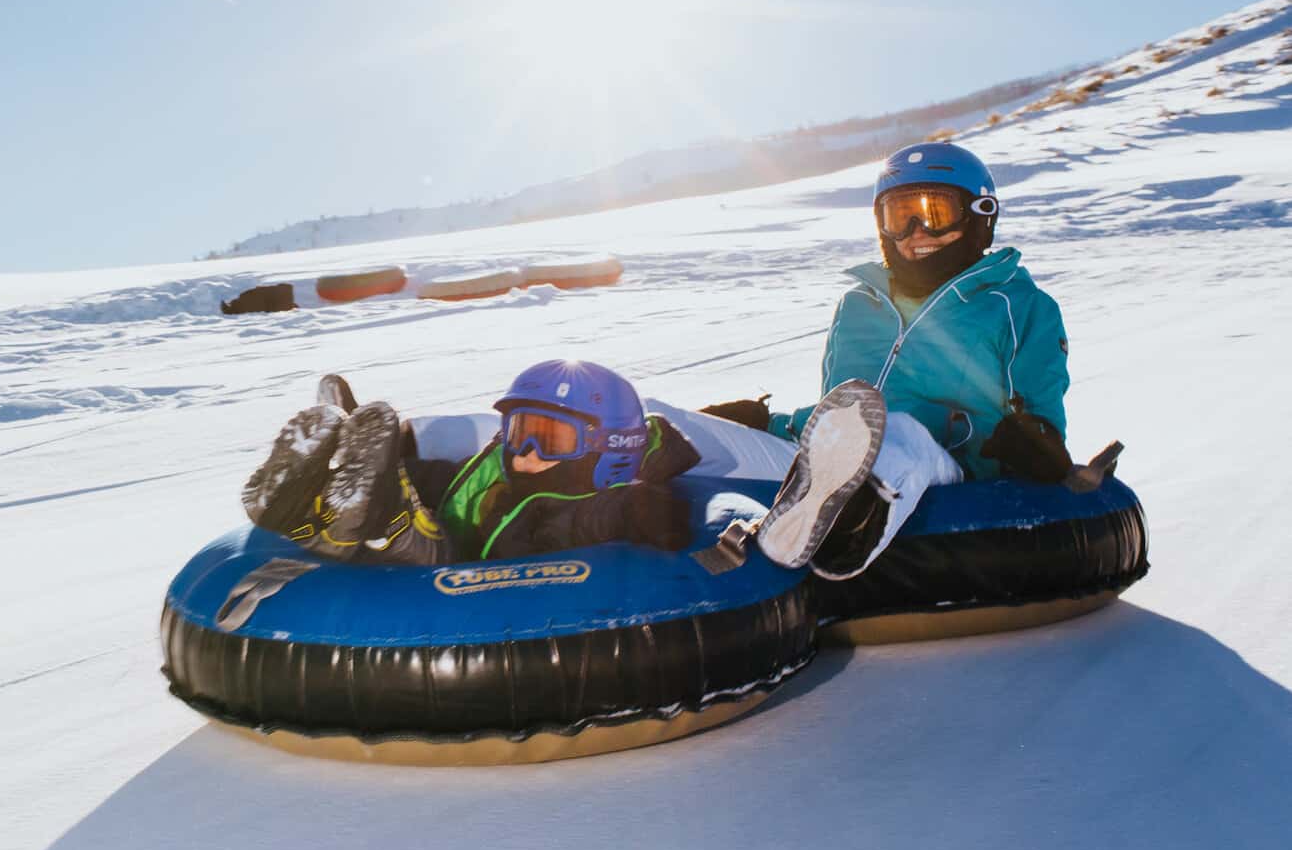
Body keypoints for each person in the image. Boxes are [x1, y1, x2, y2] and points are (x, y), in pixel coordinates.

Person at [701, 141, 1075, 580]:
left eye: (934, 213)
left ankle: (835, 535)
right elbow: (835, 424)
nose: (916, 232)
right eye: (899, 216)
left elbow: (1041, 417)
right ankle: (630, 514)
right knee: (684, 430)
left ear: (980, 215)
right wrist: (760, 421)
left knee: (896, 430)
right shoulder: (857, 306)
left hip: (945, 469)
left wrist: (1035, 442)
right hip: (830, 465)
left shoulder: (1019, 306)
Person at [241, 361, 701, 565]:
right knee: (419, 482)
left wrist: (645, 508)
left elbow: (622, 517)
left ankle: (366, 514)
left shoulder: (597, 507)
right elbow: (455, 480)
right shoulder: (509, 472)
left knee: (401, 529)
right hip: (455, 536)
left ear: (609, 450)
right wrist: (400, 467)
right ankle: (320, 493)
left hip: (461, 570)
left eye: (550, 440)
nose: (526, 453)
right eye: (520, 433)